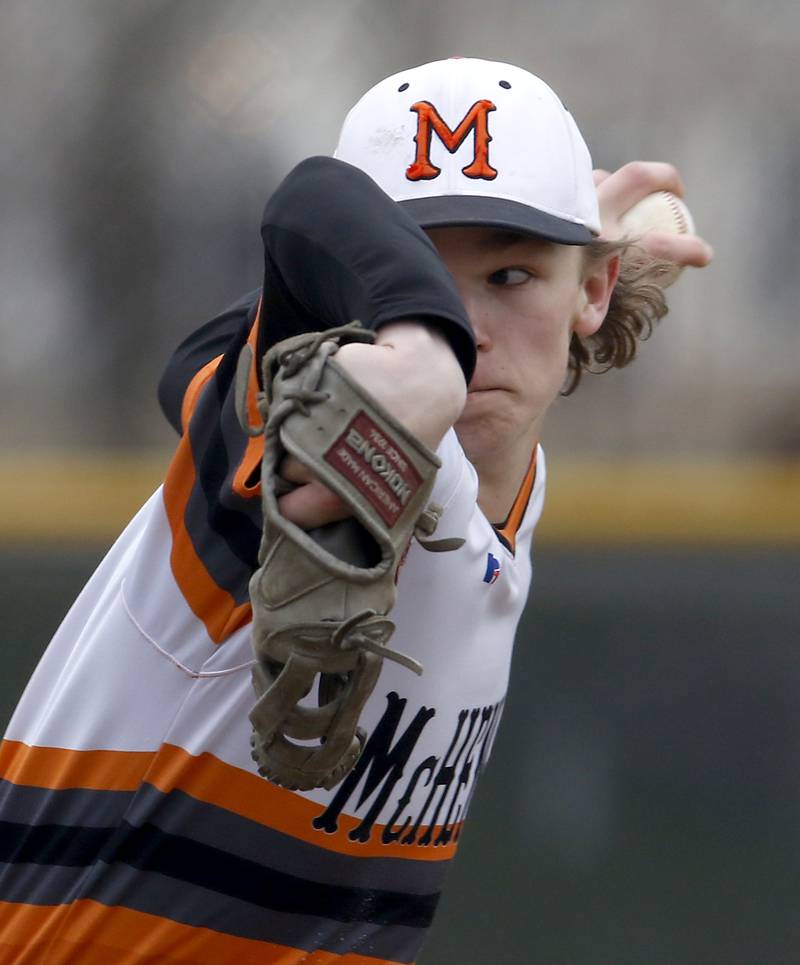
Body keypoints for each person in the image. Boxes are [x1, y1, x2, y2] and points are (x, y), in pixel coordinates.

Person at [0, 58, 711, 964]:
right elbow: (308, 202)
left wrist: (578, 263)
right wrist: (424, 344)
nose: (469, 324)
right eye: (417, 273)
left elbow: (196, 355)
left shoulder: (512, 495)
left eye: (510, 275)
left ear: (594, 290)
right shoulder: (315, 438)